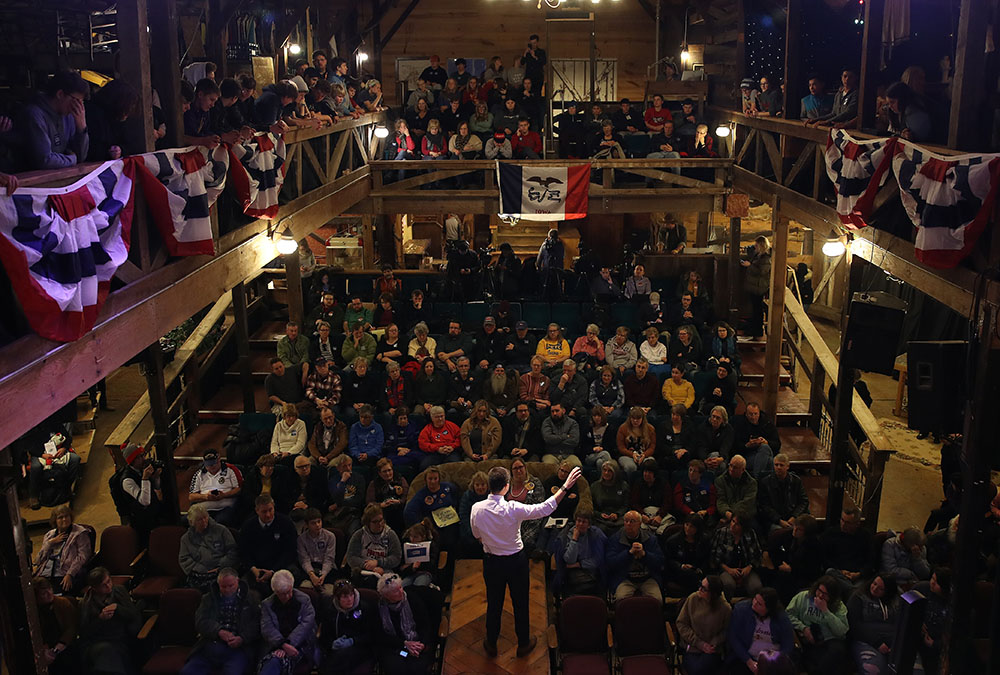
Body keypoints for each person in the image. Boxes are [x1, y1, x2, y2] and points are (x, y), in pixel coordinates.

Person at [471, 464, 583, 658]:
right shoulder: (513, 508)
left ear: (490, 485)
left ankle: (491, 643)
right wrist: (565, 487)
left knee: (494, 603)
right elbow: (545, 508)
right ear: (506, 486)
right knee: (521, 602)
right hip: (516, 563)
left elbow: (477, 535)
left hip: (492, 562)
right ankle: (523, 644)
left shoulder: (476, 509)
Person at [180, 567, 261, 675]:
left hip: (239, 648)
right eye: (223, 586)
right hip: (210, 645)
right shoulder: (208, 598)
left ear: (237, 581)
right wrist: (219, 631)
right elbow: (200, 621)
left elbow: (257, 624)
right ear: (218, 584)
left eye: (231, 586)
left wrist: (242, 638)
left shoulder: (252, 598)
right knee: (187, 672)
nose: (227, 590)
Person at [78, 567, 142, 674]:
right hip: (98, 641)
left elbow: (133, 614)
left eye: (109, 581)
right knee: (105, 652)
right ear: (95, 588)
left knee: (112, 653)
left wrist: (118, 608)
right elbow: (84, 633)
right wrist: (100, 619)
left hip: (119, 638)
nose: (108, 586)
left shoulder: (119, 591)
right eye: (103, 585)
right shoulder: (86, 604)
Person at [21, 70, 90, 169]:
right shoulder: (35, 114)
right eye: (76, 101)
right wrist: (72, 159)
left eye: (81, 102)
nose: (79, 107)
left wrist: (82, 128)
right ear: (60, 94)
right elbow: (45, 160)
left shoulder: (70, 116)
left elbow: (81, 156)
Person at [374, 572, 437, 673]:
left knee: (417, 667)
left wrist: (421, 644)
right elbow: (380, 635)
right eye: (395, 591)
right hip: (394, 647)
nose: (401, 592)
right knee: (396, 667)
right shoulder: (379, 608)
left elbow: (425, 625)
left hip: (417, 643)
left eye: (400, 587)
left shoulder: (413, 599)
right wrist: (404, 644)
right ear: (386, 596)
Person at [786, 575, 849, 675]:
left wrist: (825, 611)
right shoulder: (803, 596)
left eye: (825, 594)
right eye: (819, 591)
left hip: (828, 641)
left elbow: (842, 631)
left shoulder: (839, 606)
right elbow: (788, 614)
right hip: (806, 639)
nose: (820, 596)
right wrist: (804, 629)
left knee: (837, 653)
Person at [258, 569, 316, 675]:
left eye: (289, 591)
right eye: (283, 594)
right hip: (276, 645)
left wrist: (288, 644)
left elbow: (305, 626)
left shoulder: (304, 600)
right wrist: (282, 644)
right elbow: (267, 628)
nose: (287, 596)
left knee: (276, 661)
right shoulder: (267, 604)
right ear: (275, 592)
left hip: (301, 644)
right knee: (274, 661)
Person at [239, 495, 298, 595]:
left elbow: (290, 551)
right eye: (264, 511)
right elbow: (243, 551)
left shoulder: (286, 523)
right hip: (256, 570)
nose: (268, 514)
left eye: (270, 510)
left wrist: (272, 571)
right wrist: (253, 569)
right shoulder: (248, 526)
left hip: (280, 567)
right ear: (257, 510)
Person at [727, 588, 795, 674]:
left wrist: (777, 663)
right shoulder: (741, 610)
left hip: (772, 662)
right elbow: (733, 637)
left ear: (768, 609)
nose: (754, 603)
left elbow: (788, 644)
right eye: (755, 599)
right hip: (747, 658)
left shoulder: (781, 617)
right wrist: (748, 661)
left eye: (759, 604)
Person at [319, 578, 378, 675]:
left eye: (351, 595)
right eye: (345, 597)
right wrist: (332, 644)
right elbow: (324, 636)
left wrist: (352, 641)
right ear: (337, 598)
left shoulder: (364, 608)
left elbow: (371, 635)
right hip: (337, 649)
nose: (350, 599)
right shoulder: (330, 611)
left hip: (360, 647)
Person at [676, 575, 732, 675]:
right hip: (692, 647)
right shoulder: (693, 599)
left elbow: (727, 630)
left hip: (712, 649)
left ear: (713, 594)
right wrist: (699, 643)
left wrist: (714, 643)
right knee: (697, 670)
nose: (699, 589)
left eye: (704, 589)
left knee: (704, 669)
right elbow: (681, 623)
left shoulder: (725, 608)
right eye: (700, 585)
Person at [606, 509, 665, 603]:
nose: (629, 524)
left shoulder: (650, 539)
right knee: (621, 600)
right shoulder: (615, 539)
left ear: (640, 524)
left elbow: (660, 562)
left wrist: (644, 554)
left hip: (647, 578)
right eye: (626, 521)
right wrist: (629, 553)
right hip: (625, 578)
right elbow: (610, 563)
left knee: (657, 601)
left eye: (632, 521)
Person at [33, 505, 92, 594]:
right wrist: (50, 543)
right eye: (60, 517)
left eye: (66, 516)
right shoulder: (49, 535)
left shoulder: (80, 533)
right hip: (46, 574)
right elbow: (38, 560)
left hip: (65, 573)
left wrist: (70, 574)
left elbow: (83, 556)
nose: (64, 519)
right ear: (55, 521)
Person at [179, 503, 239, 590]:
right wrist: (202, 570)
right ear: (192, 522)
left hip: (223, 572)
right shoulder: (186, 539)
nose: (204, 521)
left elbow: (233, 551)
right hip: (199, 576)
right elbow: (184, 559)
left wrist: (221, 566)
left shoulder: (221, 530)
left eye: (205, 517)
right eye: (199, 519)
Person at [847, 575, 899, 675]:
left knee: (910, 668)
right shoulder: (858, 597)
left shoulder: (896, 600)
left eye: (880, 588)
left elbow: (900, 622)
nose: (874, 589)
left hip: (892, 640)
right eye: (874, 584)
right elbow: (854, 625)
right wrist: (877, 642)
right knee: (874, 669)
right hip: (866, 640)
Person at [553, 510, 607, 596]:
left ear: (589, 525)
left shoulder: (596, 535)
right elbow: (569, 560)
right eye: (578, 521)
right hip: (571, 574)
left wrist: (579, 564)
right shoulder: (567, 535)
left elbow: (598, 560)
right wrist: (574, 540)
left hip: (592, 572)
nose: (580, 524)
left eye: (584, 522)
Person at [820, 506, 873, 594]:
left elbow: (871, 560)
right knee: (830, 572)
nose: (843, 524)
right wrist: (840, 571)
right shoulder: (830, 534)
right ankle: (853, 592)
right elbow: (824, 558)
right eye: (842, 520)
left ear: (857, 523)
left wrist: (859, 574)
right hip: (837, 574)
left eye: (848, 523)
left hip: (858, 576)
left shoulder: (865, 536)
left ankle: (852, 592)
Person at [711, 513, 763, 597]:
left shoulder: (750, 533)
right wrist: (728, 569)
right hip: (726, 569)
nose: (733, 525)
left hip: (746, 569)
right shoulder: (721, 532)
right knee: (728, 584)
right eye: (732, 521)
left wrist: (749, 567)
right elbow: (713, 556)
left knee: (756, 587)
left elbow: (758, 554)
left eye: (737, 524)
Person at [32, 577, 77, 675]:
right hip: (45, 647)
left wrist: (56, 649)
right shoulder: (34, 610)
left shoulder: (62, 603)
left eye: (50, 589)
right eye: (44, 593)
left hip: (64, 645)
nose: (49, 594)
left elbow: (71, 629)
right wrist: (43, 649)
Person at [188, 449, 243, 526]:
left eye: (213, 463)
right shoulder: (199, 474)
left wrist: (224, 495)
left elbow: (238, 489)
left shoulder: (231, 470)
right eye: (208, 464)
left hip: (225, 507)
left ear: (219, 459)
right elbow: (191, 496)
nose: (211, 466)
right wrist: (206, 497)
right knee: (188, 520)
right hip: (205, 508)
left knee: (221, 521)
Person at [665, 514, 712, 596]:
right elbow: (668, 560)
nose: (688, 528)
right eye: (687, 525)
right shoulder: (673, 541)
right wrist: (681, 566)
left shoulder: (704, 540)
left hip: (698, 571)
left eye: (692, 527)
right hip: (679, 572)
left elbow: (706, 559)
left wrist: (699, 569)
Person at [732, 402, 780, 478]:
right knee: (770, 461)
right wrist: (747, 445)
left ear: (759, 413)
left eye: (755, 414)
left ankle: (755, 479)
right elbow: (734, 446)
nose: (753, 417)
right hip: (747, 455)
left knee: (764, 447)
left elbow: (777, 444)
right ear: (746, 414)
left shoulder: (767, 423)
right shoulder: (739, 424)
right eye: (751, 414)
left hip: (765, 452)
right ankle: (766, 482)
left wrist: (767, 442)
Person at [326, 454, 366, 534]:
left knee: (353, 532)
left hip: (353, 513)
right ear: (338, 468)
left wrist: (338, 504)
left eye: (349, 465)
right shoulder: (334, 480)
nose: (348, 468)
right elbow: (335, 497)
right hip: (338, 513)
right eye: (344, 466)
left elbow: (359, 500)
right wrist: (342, 482)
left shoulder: (359, 478)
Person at [741, 236, 771, 339]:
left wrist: (750, 266)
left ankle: (757, 330)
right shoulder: (758, 255)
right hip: (755, 285)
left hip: (759, 286)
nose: (755, 247)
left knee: (757, 309)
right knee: (755, 308)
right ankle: (754, 328)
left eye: (757, 245)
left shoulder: (766, 257)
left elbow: (762, 271)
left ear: (761, 245)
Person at [590, 459, 630, 534]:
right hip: (600, 519)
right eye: (604, 470)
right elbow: (591, 506)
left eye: (609, 471)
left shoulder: (623, 486)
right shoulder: (595, 486)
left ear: (615, 473)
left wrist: (617, 514)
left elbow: (626, 505)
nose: (606, 473)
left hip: (619, 518)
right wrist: (600, 514)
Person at [616, 406, 656, 478]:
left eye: (638, 419)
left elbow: (652, 447)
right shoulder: (623, 428)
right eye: (633, 419)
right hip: (627, 455)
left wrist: (644, 455)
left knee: (649, 464)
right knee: (630, 467)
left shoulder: (650, 429)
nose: (635, 421)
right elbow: (621, 447)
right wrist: (632, 454)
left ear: (642, 419)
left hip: (644, 455)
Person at [459, 472, 490, 558]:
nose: (480, 487)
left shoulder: (492, 496)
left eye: (483, 484)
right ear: (473, 486)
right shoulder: (467, 496)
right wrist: (476, 535)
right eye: (477, 485)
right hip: (470, 530)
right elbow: (463, 516)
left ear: (488, 485)